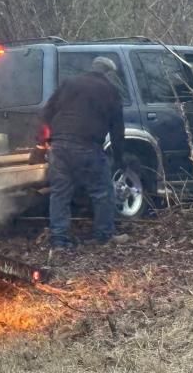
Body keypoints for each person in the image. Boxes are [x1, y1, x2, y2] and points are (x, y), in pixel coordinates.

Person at [36, 56, 125, 248]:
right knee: (102, 192)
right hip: (87, 146)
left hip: (58, 147)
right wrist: (119, 158)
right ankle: (104, 236)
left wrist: (43, 142)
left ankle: (59, 240)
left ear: (92, 68)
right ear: (108, 73)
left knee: (60, 193)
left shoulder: (69, 83)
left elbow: (45, 114)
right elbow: (118, 129)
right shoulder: (110, 90)